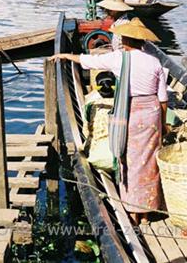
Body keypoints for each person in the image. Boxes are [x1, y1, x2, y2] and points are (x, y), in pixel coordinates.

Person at [50, 17, 167, 225]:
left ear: (126, 40)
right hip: (152, 114)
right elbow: (163, 99)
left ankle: (132, 211)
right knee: (149, 161)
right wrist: (163, 124)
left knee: (127, 159)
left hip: (130, 111)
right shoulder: (155, 61)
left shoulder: (118, 58)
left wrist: (65, 55)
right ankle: (147, 211)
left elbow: (88, 61)